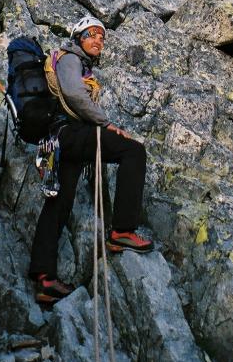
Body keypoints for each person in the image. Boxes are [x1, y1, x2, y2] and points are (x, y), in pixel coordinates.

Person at [29, 15, 153, 305]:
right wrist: (106, 124)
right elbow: (73, 94)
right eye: (92, 34)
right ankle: (122, 230)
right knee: (133, 151)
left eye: (102, 36)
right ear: (78, 38)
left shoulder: (71, 61)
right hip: (71, 134)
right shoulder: (70, 58)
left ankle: (44, 277)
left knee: (59, 201)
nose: (99, 40)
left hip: (59, 140)